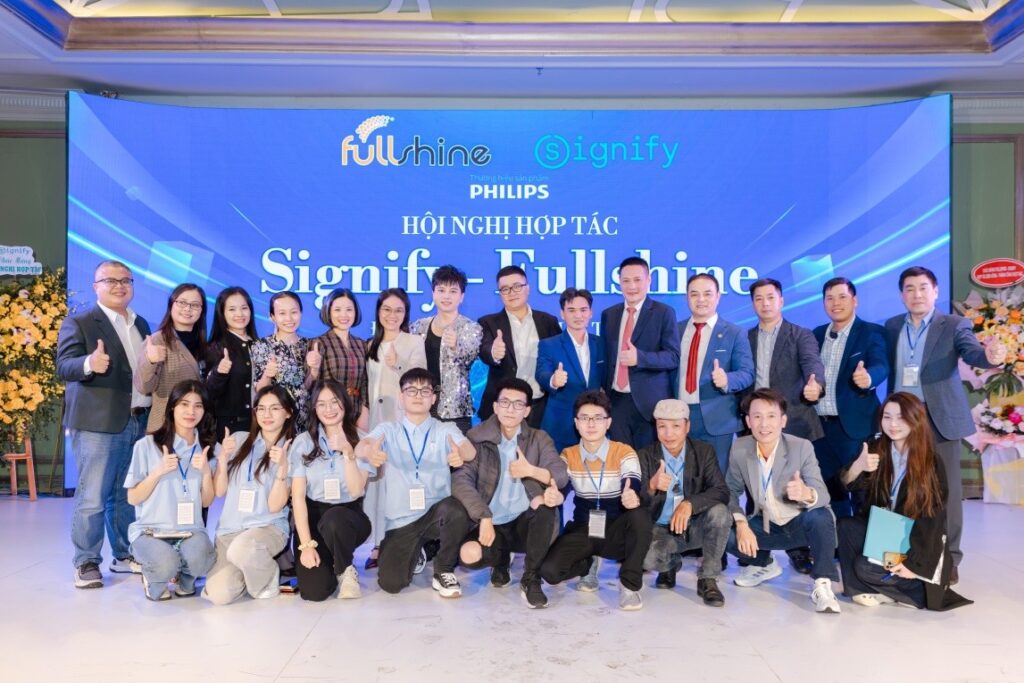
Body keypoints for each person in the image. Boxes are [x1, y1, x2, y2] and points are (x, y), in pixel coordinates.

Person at [884, 265, 1007, 582]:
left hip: (938, 417)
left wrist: (990, 356)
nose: (917, 294)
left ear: (935, 291)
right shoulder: (892, 325)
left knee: (946, 490)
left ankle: (950, 558)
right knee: (896, 486)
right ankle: (893, 555)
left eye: (923, 287)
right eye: (909, 288)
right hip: (900, 418)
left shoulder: (953, 324)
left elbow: (972, 352)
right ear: (902, 295)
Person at [57, 260, 152, 588]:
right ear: (96, 286)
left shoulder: (141, 324)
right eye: (110, 280)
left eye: (125, 280)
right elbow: (64, 366)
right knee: (93, 496)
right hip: (97, 424)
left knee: (124, 495)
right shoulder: (80, 322)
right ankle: (86, 562)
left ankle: (123, 555)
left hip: (137, 420)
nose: (119, 286)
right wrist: (89, 363)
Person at [837, 392, 971, 610]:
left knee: (864, 567)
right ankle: (863, 590)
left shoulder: (930, 461)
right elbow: (843, 486)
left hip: (917, 541)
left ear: (915, 419)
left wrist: (913, 564)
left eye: (901, 417)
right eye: (887, 417)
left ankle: (914, 592)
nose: (893, 424)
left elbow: (932, 519)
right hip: (889, 533)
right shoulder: (876, 448)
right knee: (846, 525)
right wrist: (857, 467)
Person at [356, 368, 475, 597]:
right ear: (401, 397)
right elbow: (362, 447)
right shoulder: (388, 429)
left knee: (455, 510)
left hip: (435, 514)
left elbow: (469, 450)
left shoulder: (445, 429)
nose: (418, 395)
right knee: (391, 584)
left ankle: (444, 570)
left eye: (425, 391)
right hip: (401, 520)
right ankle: (420, 550)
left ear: (434, 398)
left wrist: (460, 454)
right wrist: (369, 452)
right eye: (411, 390)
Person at [454, 378, 569, 609]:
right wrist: (483, 516)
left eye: (518, 404)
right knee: (468, 555)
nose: (510, 409)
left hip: (523, 523)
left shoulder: (539, 438)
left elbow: (560, 474)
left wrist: (531, 471)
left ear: (527, 411)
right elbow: (460, 481)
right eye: (505, 402)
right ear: (495, 407)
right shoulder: (477, 438)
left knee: (544, 505)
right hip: (491, 523)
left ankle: (531, 578)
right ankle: (500, 562)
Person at [724, 389, 839, 613]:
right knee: (722, 530)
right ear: (748, 421)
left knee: (821, 515)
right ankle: (765, 564)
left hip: (799, 524)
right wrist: (741, 523)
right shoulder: (740, 448)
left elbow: (823, 494)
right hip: (766, 525)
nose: (764, 424)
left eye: (771, 416)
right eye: (757, 416)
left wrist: (806, 494)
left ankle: (822, 584)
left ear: (783, 421)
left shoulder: (801, 447)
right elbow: (730, 491)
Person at [539, 390, 652, 611]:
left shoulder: (624, 451)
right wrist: (557, 496)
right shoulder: (568, 455)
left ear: (608, 422)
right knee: (550, 572)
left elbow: (632, 480)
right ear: (576, 423)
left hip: (617, 529)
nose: (591, 424)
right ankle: (587, 563)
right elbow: (563, 485)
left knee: (640, 516)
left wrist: (631, 494)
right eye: (584, 418)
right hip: (584, 527)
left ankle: (629, 586)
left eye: (598, 418)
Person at [743, 278, 826, 574]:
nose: (765, 303)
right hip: (757, 426)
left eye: (770, 297)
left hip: (792, 423)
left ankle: (799, 549)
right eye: (759, 299)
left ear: (781, 300)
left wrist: (816, 385)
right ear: (753, 303)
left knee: (793, 488)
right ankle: (758, 550)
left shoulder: (800, 334)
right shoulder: (746, 337)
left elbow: (813, 365)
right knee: (756, 488)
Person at [124, 380, 216, 601]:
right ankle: (155, 576)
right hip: (151, 531)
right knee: (165, 564)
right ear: (172, 407)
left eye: (198, 406)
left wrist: (206, 473)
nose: (191, 412)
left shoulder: (207, 450)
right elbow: (132, 498)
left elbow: (206, 502)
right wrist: (158, 471)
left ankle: (185, 577)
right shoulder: (146, 445)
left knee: (203, 559)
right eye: (184, 404)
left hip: (190, 531)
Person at [203, 386, 296, 604]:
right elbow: (220, 491)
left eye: (275, 408)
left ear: (288, 412)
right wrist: (223, 460)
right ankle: (250, 571)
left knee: (242, 549)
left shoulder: (292, 449)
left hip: (267, 528)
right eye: (261, 408)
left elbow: (275, 506)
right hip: (230, 531)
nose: (267, 414)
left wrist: (283, 469)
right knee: (219, 595)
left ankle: (268, 578)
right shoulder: (239, 439)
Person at [638, 399, 730, 607]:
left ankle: (708, 578)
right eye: (662, 426)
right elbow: (635, 504)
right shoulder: (644, 456)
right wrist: (651, 487)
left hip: (694, 526)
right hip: (661, 529)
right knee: (644, 558)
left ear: (687, 426)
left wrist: (689, 504)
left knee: (720, 512)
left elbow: (721, 491)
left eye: (676, 426)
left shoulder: (704, 452)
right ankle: (669, 564)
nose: (668, 433)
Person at [812, 277, 889, 517]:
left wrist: (869, 378)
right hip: (820, 429)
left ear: (855, 301)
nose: (836, 303)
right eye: (830, 298)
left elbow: (881, 365)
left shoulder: (871, 332)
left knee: (863, 491)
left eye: (842, 297)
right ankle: (839, 538)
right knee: (830, 491)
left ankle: (866, 540)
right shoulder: (816, 334)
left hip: (855, 428)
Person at [290, 381, 374, 601]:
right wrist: (306, 546)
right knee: (314, 592)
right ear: (314, 409)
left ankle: (345, 570)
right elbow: (298, 498)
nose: (329, 409)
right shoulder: (303, 442)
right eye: (321, 404)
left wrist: (348, 453)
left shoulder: (363, 440)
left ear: (344, 403)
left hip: (349, 517)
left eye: (334, 402)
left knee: (335, 518)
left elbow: (356, 491)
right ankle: (335, 565)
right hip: (313, 520)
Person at [363, 288, 428, 568]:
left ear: (406, 314)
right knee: (377, 485)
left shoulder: (414, 341)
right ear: (379, 312)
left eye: (399, 310)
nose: (392, 315)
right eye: (387, 309)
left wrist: (398, 364)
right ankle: (378, 543)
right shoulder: (370, 344)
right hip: (375, 424)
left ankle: (405, 541)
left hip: (401, 423)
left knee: (401, 484)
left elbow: (419, 382)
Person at [674, 273, 754, 472]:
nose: (701, 299)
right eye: (694, 294)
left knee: (716, 480)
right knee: (682, 478)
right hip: (679, 416)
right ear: (686, 297)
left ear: (718, 296)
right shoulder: (675, 330)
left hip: (717, 419)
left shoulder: (734, 332)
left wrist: (727, 380)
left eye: (707, 294)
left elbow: (747, 373)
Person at [600, 256, 680, 449]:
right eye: (626, 281)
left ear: (649, 280)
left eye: (637, 280)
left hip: (649, 403)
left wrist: (640, 358)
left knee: (647, 461)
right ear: (619, 282)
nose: (632, 286)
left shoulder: (663, 312)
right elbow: (605, 357)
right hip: (616, 401)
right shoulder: (609, 315)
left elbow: (673, 357)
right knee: (620, 459)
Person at [478, 265, 561, 428]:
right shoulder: (488, 322)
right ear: (500, 293)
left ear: (527, 288)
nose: (512, 293)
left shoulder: (548, 321)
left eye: (517, 286)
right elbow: (484, 349)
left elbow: (558, 356)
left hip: (540, 407)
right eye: (505, 289)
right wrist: (494, 352)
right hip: (502, 409)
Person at [410, 265, 483, 434]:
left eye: (453, 291)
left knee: (456, 450)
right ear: (433, 293)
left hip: (455, 408)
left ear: (461, 297)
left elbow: (469, 358)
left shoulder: (470, 328)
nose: (446, 296)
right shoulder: (418, 327)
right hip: (421, 402)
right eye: (441, 290)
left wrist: (456, 346)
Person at [536, 287, 605, 452]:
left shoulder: (601, 343)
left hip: (595, 425)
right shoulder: (549, 344)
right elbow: (541, 373)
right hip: (561, 424)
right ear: (562, 313)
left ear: (590, 313)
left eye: (583, 310)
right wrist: (553, 380)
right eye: (571, 310)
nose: (578, 315)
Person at [134, 283, 207, 433]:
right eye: (182, 303)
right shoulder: (157, 341)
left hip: (197, 426)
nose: (187, 309)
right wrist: (150, 361)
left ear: (202, 310)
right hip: (165, 426)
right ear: (171, 305)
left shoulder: (205, 345)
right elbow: (144, 387)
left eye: (195, 305)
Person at [308, 288, 370, 431]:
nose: (344, 315)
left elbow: (365, 382)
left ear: (356, 312)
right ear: (328, 312)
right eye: (337, 310)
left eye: (349, 309)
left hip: (357, 415)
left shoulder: (361, 344)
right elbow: (310, 387)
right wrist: (314, 370)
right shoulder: (319, 343)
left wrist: (365, 412)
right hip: (329, 415)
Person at [251, 291, 316, 427]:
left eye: (294, 312)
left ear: (301, 313)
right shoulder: (262, 345)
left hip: (308, 420)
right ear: (272, 317)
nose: (289, 318)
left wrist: (314, 371)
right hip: (277, 420)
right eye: (282, 313)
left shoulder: (310, 344)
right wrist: (268, 374)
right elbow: (260, 390)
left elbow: (309, 387)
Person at [205, 286, 258, 436]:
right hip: (229, 429)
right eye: (232, 309)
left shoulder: (259, 345)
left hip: (260, 425)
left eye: (244, 308)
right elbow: (207, 394)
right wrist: (219, 373)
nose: (239, 314)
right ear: (222, 313)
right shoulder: (215, 348)